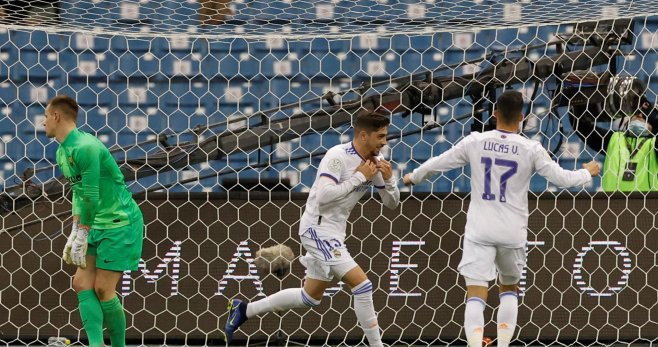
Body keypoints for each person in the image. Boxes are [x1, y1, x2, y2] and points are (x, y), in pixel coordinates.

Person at [403, 91, 600, 347]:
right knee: (509, 289)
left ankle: (475, 344)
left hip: (479, 230)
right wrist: (586, 173)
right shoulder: (531, 148)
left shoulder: (475, 141)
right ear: (521, 118)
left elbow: (439, 163)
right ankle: (504, 344)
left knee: (475, 293)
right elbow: (562, 179)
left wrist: (413, 177)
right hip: (512, 232)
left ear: (494, 113)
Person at [223, 112, 400, 346]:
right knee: (362, 285)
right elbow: (324, 197)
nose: (385, 142)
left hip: (335, 233)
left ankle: (244, 309)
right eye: (381, 136)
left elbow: (391, 203)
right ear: (364, 135)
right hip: (317, 230)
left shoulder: (373, 163)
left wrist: (389, 180)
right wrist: (359, 177)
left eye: (386, 136)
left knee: (310, 297)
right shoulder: (337, 156)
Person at [44, 95, 144, 347]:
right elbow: (78, 193)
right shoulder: (61, 151)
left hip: (119, 223)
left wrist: (82, 232)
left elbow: (91, 195)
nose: (43, 122)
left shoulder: (86, 148)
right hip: (95, 222)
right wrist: (76, 230)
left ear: (56, 116)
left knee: (103, 290)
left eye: (46, 117)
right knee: (80, 283)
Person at [569, 75, 658, 191]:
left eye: (644, 117)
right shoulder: (614, 139)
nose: (639, 116)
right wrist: (577, 99)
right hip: (611, 206)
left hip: (647, 206)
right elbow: (580, 126)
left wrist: (649, 110)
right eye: (635, 114)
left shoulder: (653, 145)